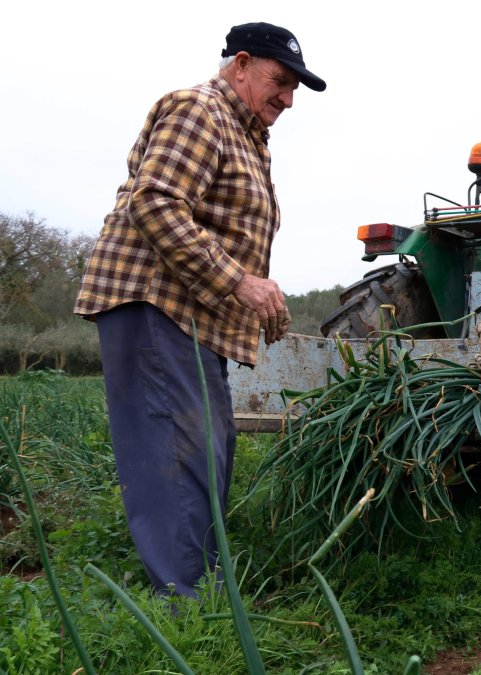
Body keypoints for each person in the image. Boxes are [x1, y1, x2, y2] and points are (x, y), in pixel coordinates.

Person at [73, 22, 326, 598]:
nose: (287, 99)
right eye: (279, 81)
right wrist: (241, 282)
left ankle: (198, 586)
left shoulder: (245, 134)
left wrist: (256, 295)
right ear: (240, 65)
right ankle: (187, 604)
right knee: (177, 450)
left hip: (194, 318)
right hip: (155, 305)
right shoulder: (200, 111)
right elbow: (156, 202)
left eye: (293, 90)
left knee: (206, 452)